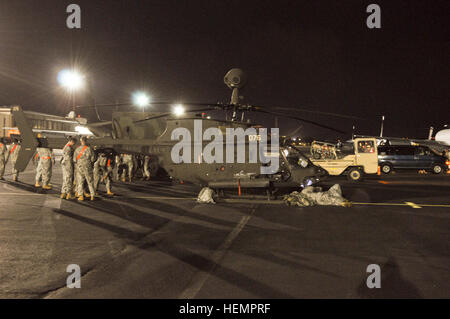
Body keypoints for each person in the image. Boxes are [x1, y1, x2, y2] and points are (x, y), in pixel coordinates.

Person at [73, 136, 96, 201]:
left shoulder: (77, 149)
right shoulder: (89, 149)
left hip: (79, 167)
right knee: (90, 181)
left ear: (81, 141)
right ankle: (92, 195)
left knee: (80, 181)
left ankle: (81, 196)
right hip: (87, 166)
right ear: (86, 141)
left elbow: (74, 160)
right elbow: (93, 159)